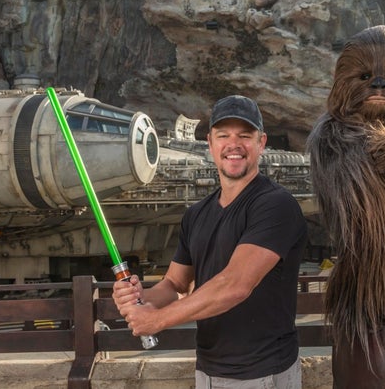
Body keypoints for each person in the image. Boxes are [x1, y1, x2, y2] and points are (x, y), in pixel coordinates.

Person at [112, 95, 308, 389]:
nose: (234, 145)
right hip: (208, 371)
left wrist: (157, 320)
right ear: (210, 143)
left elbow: (235, 285)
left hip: (262, 373)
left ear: (261, 142)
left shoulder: (276, 205)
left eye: (245, 135)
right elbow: (176, 285)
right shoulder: (196, 214)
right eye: (223, 135)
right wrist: (142, 300)